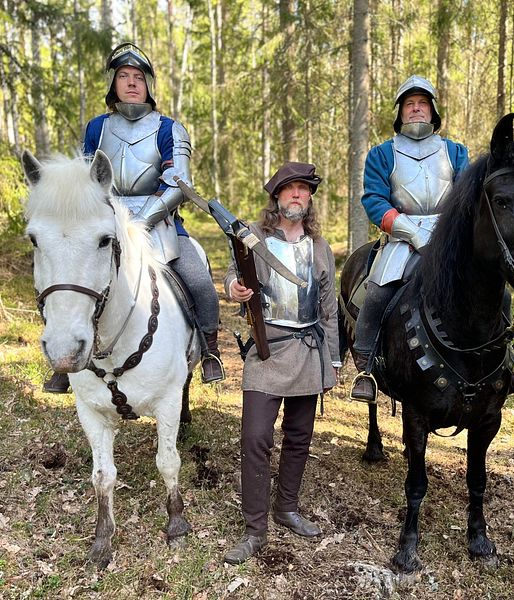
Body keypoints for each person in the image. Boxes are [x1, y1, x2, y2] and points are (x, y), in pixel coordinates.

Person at [42, 42, 223, 394]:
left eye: (138, 76)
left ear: (149, 85)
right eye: (123, 76)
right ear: (114, 84)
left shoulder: (170, 128)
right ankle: (65, 359)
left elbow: (178, 183)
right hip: (104, 223)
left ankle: (210, 350)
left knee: (199, 282)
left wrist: (141, 220)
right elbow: (86, 180)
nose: (131, 82)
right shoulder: (97, 128)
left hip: (160, 225)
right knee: (67, 278)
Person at [350, 75, 514, 403]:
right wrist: (409, 231)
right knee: (378, 292)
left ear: (433, 110)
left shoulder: (454, 151)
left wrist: (446, 233)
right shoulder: (381, 154)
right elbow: (374, 200)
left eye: (422, 104)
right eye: (409, 105)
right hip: (400, 238)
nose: (416, 109)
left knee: (498, 296)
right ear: (400, 113)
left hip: (450, 239)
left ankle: (506, 365)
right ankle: (366, 367)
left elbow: (468, 196)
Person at [222, 162, 341, 565]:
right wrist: (232, 288)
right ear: (276, 197)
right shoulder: (254, 238)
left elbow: (327, 310)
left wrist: (334, 361)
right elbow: (232, 275)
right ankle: (255, 529)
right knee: (255, 437)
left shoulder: (320, 248)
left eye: (303, 190)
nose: (296, 195)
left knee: (299, 437)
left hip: (308, 349)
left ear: (309, 199)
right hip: (267, 349)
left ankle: (286, 508)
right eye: (288, 189)